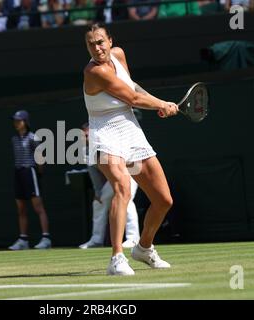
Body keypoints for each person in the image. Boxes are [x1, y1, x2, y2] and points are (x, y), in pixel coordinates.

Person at [83, 23, 178, 275]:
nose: (97, 47)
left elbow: (133, 88)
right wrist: (162, 103)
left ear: (110, 41)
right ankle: (116, 258)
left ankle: (144, 248)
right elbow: (133, 99)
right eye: (91, 44)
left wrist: (158, 103)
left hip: (130, 130)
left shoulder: (119, 55)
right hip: (105, 134)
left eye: (100, 41)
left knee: (163, 200)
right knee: (122, 188)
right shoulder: (94, 71)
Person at [79, 123, 140, 249]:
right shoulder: (86, 151)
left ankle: (133, 238)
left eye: (87, 134)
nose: (85, 137)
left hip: (129, 171)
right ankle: (96, 240)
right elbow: (94, 172)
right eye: (83, 135)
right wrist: (98, 193)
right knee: (99, 202)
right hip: (114, 178)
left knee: (126, 200)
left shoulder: (108, 143)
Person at [8, 110, 52, 250]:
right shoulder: (14, 139)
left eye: (19, 121)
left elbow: (40, 159)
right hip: (18, 173)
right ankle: (23, 240)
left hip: (30, 172)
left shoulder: (33, 138)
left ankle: (46, 238)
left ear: (25, 122)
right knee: (21, 208)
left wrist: (38, 173)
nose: (16, 123)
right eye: (15, 120)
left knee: (38, 207)